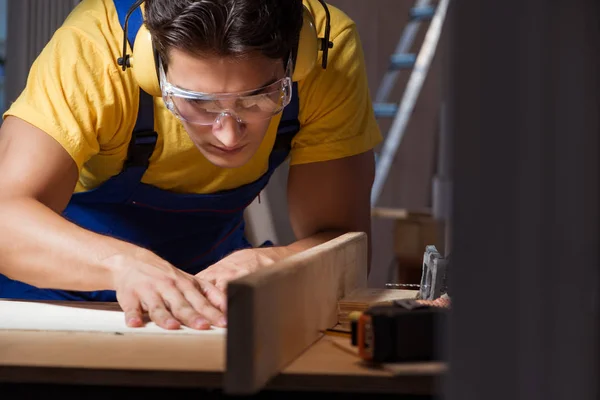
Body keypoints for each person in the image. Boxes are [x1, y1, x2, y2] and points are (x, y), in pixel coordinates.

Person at [0, 0, 381, 331]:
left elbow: (346, 244)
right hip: (56, 280)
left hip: (211, 286)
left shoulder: (328, 56)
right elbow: (6, 217)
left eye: (259, 98)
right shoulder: (93, 49)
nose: (229, 136)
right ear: (151, 68)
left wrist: (277, 261)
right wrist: (121, 264)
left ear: (298, 60)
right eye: (198, 102)